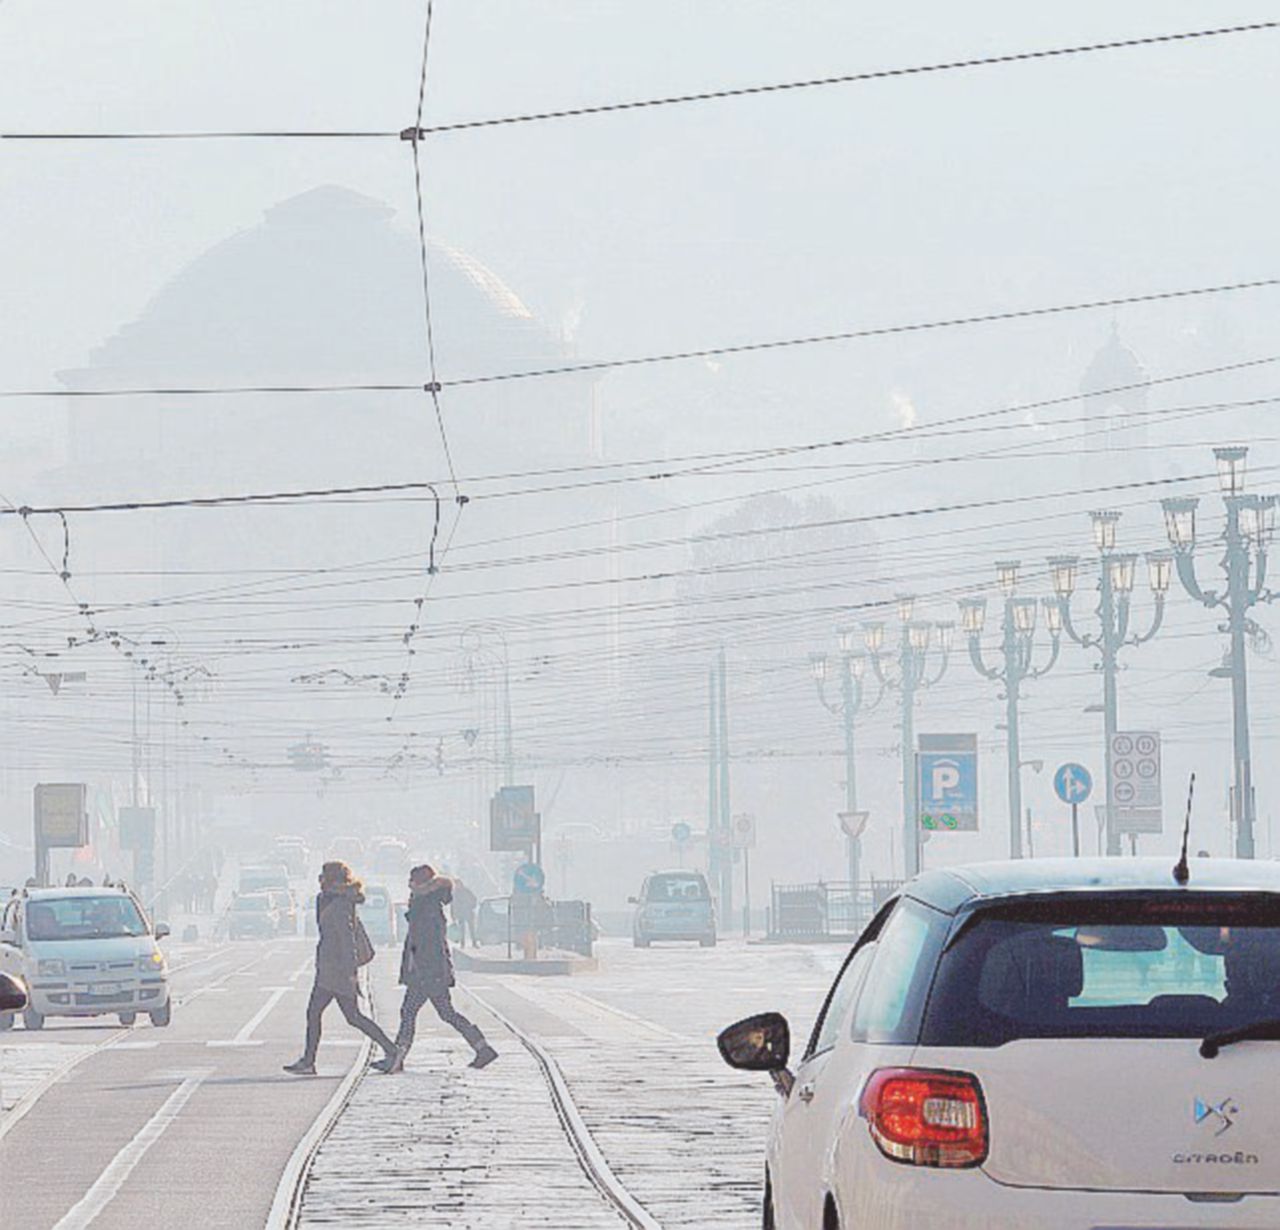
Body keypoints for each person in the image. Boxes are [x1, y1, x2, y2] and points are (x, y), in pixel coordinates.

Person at [373, 864, 497, 1073]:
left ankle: (397, 1056)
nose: (408, 885)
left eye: (412, 881)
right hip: (430, 971)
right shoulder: (426, 903)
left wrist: (420, 971)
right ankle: (481, 1048)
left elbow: (427, 944)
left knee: (410, 1011)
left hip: (427, 972)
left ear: (421, 884)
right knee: (445, 1013)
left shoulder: (426, 906)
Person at [284, 861, 396, 1076]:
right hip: (328, 967)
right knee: (342, 1015)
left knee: (343, 1015)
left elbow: (347, 939)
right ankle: (390, 1050)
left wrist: (351, 971)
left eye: (323, 876)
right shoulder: (326, 899)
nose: (319, 879)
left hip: (337, 969)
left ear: (332, 879)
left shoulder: (341, 904)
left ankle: (391, 1050)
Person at [452, 877, 479, 949]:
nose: (457, 885)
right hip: (460, 913)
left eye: (458, 884)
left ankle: (474, 943)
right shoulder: (454, 893)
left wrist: (472, 906)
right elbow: (453, 905)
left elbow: (474, 898)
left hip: (468, 912)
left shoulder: (466, 891)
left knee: (471, 928)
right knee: (462, 930)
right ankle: (462, 943)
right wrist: (453, 916)